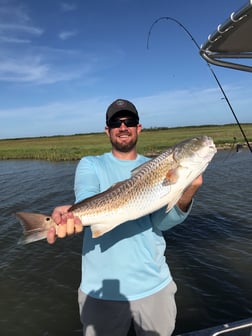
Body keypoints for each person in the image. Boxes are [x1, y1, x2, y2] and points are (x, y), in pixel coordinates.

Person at [47, 99, 203, 336]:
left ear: (138, 128)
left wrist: (186, 193)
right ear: (107, 129)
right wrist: (73, 213)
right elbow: (89, 195)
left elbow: (162, 223)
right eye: (115, 122)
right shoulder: (90, 164)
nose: (123, 127)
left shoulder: (154, 166)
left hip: (154, 285)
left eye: (129, 121)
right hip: (100, 291)